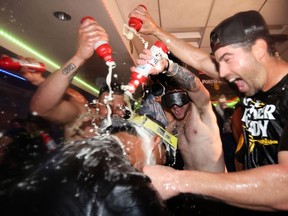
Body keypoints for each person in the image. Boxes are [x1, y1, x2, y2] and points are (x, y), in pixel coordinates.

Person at [129, 7, 288, 212]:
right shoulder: (250, 82)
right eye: (219, 62)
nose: (222, 72)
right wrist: (158, 37)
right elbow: (203, 61)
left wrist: (177, 181)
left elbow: (285, 189)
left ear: (258, 50)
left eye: (228, 59)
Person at [2, 116, 174, 216]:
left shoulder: (76, 146)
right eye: (164, 156)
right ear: (155, 143)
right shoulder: (131, 187)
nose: (161, 164)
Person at [30, 18, 129, 142]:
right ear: (97, 104)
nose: (113, 112)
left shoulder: (120, 128)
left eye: (119, 108)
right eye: (108, 105)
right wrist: (80, 57)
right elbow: (42, 108)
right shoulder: (84, 117)